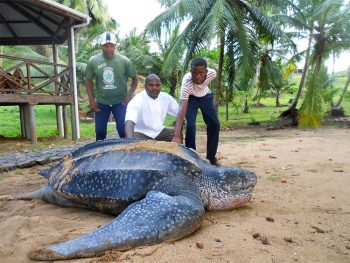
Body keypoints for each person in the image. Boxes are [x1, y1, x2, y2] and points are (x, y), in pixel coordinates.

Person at [85, 31, 138, 141]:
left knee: (123, 130)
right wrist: (91, 100)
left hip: (120, 103)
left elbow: (135, 78)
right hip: (102, 103)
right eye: (105, 46)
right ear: (101, 46)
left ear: (115, 46)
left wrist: (130, 95)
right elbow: (88, 80)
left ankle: (126, 153)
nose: (109, 49)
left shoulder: (124, 61)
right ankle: (99, 155)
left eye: (111, 46)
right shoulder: (93, 61)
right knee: (100, 132)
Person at [172, 57, 220, 165]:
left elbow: (206, 82)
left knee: (215, 124)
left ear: (206, 72)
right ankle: (191, 158)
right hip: (191, 98)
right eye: (194, 73)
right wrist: (176, 135)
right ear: (190, 72)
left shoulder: (212, 74)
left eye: (201, 73)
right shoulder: (187, 82)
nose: (197, 76)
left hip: (205, 96)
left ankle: (211, 158)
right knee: (190, 125)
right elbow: (182, 107)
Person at [125, 74, 179, 141]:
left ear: (160, 85)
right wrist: (130, 142)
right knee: (136, 143)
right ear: (145, 86)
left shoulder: (166, 98)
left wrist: (178, 134)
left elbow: (180, 113)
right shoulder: (137, 100)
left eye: (157, 85)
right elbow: (129, 122)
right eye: (151, 85)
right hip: (141, 132)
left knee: (176, 135)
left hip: (159, 132)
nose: (154, 88)